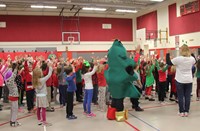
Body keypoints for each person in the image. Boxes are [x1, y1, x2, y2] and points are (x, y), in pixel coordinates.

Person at [166, 44, 196, 117]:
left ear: (181, 50)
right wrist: (192, 53)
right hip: (189, 80)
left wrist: (167, 53)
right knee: (187, 96)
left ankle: (181, 111)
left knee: (180, 96)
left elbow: (168, 62)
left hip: (180, 80)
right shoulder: (191, 59)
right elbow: (195, 60)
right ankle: (186, 111)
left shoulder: (178, 59)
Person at [33, 62, 53, 126]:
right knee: (43, 109)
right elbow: (49, 75)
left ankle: (39, 120)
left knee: (38, 108)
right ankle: (44, 121)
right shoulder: (42, 80)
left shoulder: (34, 80)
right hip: (43, 96)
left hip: (38, 96)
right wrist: (50, 67)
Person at [4, 62, 21, 127]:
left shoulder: (7, 78)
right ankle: (14, 122)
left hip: (11, 94)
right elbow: (14, 72)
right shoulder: (12, 77)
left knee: (12, 109)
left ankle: (12, 120)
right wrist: (15, 68)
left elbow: (7, 72)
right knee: (15, 109)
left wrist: (11, 68)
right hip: (14, 95)